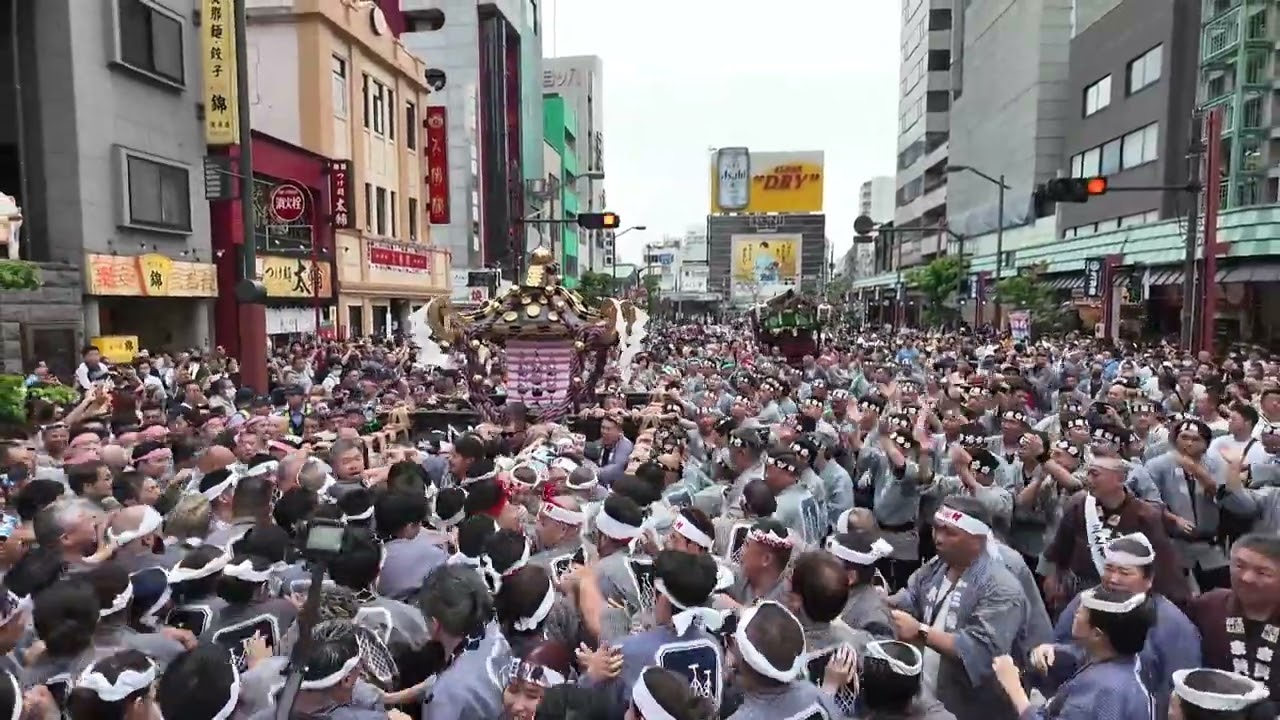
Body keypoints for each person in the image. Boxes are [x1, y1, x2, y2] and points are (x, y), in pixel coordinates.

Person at [888, 496, 1026, 720]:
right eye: (936, 528)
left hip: (974, 706)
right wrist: (886, 600)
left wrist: (921, 631)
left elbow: (982, 650)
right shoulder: (938, 565)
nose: (938, 538)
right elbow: (913, 597)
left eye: (950, 533)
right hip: (931, 693)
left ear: (977, 539)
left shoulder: (1001, 586)